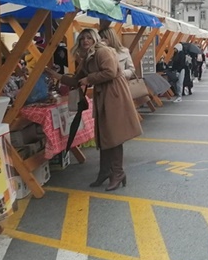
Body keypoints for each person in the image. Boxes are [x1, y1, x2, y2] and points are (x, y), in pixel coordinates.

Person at [46, 28, 142, 191]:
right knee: (104, 135)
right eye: (82, 38)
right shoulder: (88, 56)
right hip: (105, 95)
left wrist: (88, 79)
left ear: (95, 39)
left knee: (114, 135)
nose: (85, 41)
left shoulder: (102, 52)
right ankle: (105, 171)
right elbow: (76, 80)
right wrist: (55, 75)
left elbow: (110, 72)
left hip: (114, 94)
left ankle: (117, 173)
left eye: (89, 38)